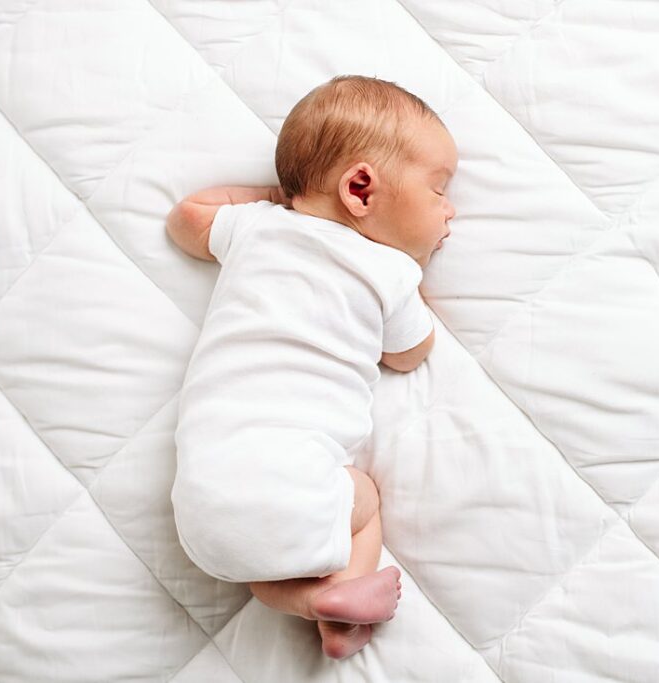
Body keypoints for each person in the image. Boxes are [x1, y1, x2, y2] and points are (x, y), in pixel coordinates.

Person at [165, 74, 458, 660]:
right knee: (364, 498)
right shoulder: (390, 273)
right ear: (361, 188)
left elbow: (187, 218)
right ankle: (342, 595)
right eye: (438, 190)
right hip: (294, 485)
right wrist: (411, 278)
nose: (451, 212)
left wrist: (278, 200)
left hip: (201, 516)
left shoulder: (258, 228)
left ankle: (312, 604)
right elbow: (411, 353)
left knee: (257, 562)